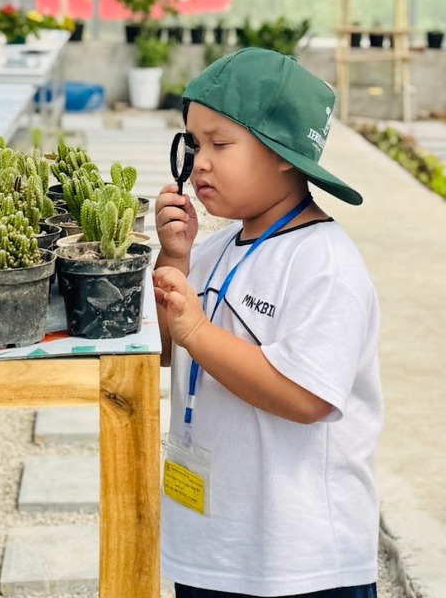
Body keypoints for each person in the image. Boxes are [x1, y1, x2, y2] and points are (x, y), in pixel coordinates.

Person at [152, 47, 382, 598]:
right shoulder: (214, 249)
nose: (200, 162)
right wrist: (175, 261)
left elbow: (308, 398)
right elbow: (165, 349)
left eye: (220, 144)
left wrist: (198, 332)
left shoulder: (325, 265)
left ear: (283, 154)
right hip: (212, 549)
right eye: (194, 144)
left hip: (300, 562)